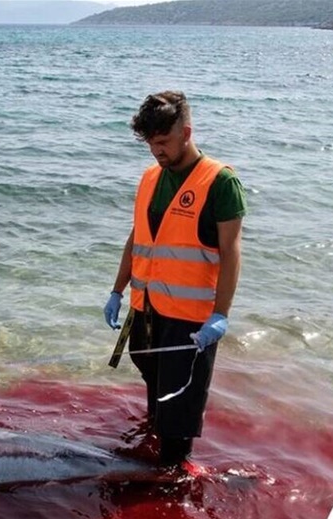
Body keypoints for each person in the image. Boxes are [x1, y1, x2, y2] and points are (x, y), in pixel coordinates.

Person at [103, 91, 246, 471]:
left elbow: (231, 253)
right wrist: (118, 289)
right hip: (146, 306)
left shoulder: (221, 182)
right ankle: (155, 449)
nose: (156, 151)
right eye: (150, 143)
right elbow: (137, 238)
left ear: (186, 132)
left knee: (178, 408)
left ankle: (174, 472)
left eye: (163, 142)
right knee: (153, 385)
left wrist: (220, 315)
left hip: (190, 320)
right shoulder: (150, 178)